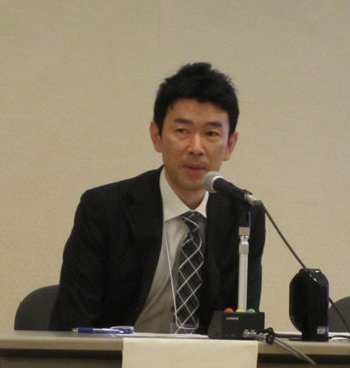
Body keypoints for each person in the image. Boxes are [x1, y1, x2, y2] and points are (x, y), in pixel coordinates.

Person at [49, 62, 265, 334]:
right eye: (182, 131)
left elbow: (242, 328)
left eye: (211, 133)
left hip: (205, 361)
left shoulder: (243, 215)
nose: (196, 148)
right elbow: (73, 325)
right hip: (116, 358)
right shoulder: (103, 209)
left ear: (230, 144)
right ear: (157, 136)